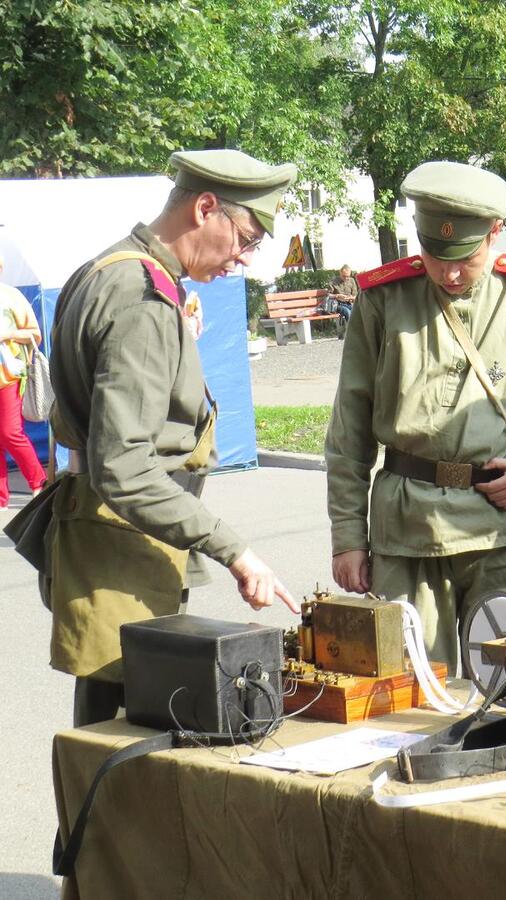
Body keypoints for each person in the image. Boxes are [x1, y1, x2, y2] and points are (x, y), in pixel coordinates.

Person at [7, 149, 302, 727]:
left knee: (108, 748)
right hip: (125, 547)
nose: (241, 260)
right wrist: (235, 551)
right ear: (206, 207)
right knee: (125, 754)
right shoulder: (141, 296)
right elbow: (126, 467)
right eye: (244, 239)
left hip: (116, 539)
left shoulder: (107, 269)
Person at [326, 160, 506, 666]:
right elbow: (350, 428)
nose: (450, 273)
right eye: (436, 256)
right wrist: (348, 537)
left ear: (495, 233)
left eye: (466, 257)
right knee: (409, 691)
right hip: (407, 533)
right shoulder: (383, 298)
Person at [0, 253, 48, 507]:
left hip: (8, 376)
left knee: (10, 432)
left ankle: (37, 480)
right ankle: (1, 497)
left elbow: (34, 334)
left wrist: (7, 334)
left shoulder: (11, 296)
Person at [326, 264, 358, 335]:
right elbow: (328, 295)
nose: (346, 278)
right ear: (340, 273)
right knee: (347, 312)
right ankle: (352, 333)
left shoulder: (352, 281)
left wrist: (350, 297)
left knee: (357, 312)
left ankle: (357, 332)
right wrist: (337, 295)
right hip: (338, 304)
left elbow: (356, 296)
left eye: (348, 276)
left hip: (349, 303)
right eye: (344, 276)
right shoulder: (333, 281)